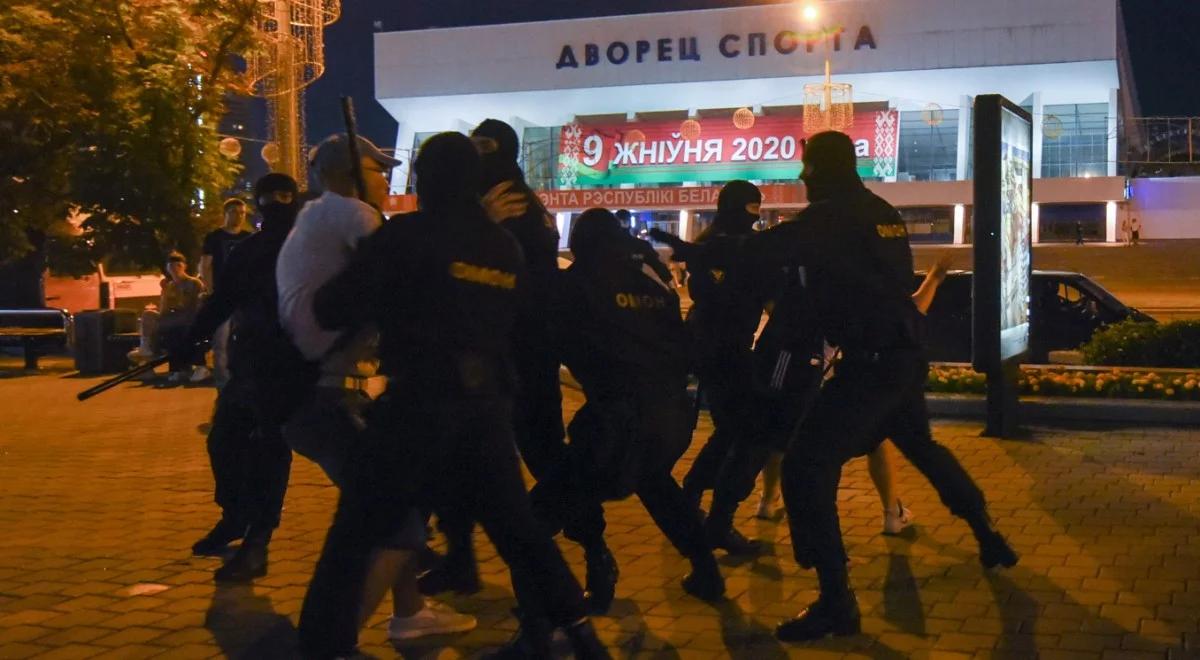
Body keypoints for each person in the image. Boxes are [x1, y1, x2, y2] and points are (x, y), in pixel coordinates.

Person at [305, 132, 608, 659]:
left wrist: (374, 278)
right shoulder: (502, 246)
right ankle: (582, 633)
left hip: (415, 408)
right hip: (486, 411)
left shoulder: (406, 236)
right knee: (522, 534)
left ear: (423, 180)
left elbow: (331, 308)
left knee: (355, 533)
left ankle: (320, 644)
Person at [757, 131, 1016, 642]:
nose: (802, 178)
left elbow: (769, 251)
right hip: (901, 356)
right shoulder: (880, 210)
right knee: (923, 448)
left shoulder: (830, 216)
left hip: (872, 365)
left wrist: (722, 246)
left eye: (807, 167)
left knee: (807, 465)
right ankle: (987, 532)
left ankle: (836, 602)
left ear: (820, 169)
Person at [277, 133, 477, 651]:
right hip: (335, 392)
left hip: (312, 390)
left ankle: (409, 611)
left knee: (393, 511)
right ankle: (337, 640)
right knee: (395, 515)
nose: (387, 179)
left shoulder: (314, 216)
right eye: (378, 168)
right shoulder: (355, 217)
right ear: (349, 174)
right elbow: (405, 282)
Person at [542, 207, 726, 615]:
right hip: (672, 412)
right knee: (657, 486)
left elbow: (555, 339)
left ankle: (556, 608)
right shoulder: (653, 280)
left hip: (618, 419)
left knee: (543, 510)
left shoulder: (579, 284)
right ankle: (706, 568)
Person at [418, 118, 572, 596]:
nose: (479, 159)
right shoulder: (511, 203)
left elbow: (496, 276)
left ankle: (577, 572)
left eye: (486, 148)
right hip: (504, 356)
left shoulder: (509, 206)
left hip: (513, 356)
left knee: (538, 464)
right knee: (462, 467)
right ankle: (463, 559)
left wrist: (476, 226)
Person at [183, 174, 301, 582]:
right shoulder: (249, 251)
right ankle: (234, 516)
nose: (279, 202)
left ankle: (258, 541)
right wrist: (192, 339)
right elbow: (223, 300)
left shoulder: (305, 247)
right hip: (250, 361)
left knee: (270, 449)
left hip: (289, 364)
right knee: (224, 440)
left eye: (287, 195)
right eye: (271, 196)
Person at [648, 181, 772, 556]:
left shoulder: (719, 245)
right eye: (752, 208)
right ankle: (714, 513)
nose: (755, 217)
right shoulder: (724, 247)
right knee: (749, 433)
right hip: (722, 353)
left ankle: (696, 496)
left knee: (734, 431)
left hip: (721, 351)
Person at [201, 198, 253, 389]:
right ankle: (224, 388)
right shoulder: (214, 238)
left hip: (244, 297)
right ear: (226, 213)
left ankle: (243, 384)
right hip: (222, 297)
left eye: (242, 213)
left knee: (247, 341)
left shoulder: (249, 237)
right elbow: (205, 266)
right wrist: (210, 289)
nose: (238, 216)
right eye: (234, 212)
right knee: (220, 344)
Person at [156, 251, 207, 383]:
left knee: (177, 332)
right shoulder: (170, 286)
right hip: (175, 321)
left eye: (178, 265)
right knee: (167, 329)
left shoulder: (194, 283)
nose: (174, 269)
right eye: (171, 266)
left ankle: (180, 369)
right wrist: (164, 292)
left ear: (184, 266)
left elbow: (197, 305)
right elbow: (164, 309)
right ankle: (178, 369)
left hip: (189, 320)